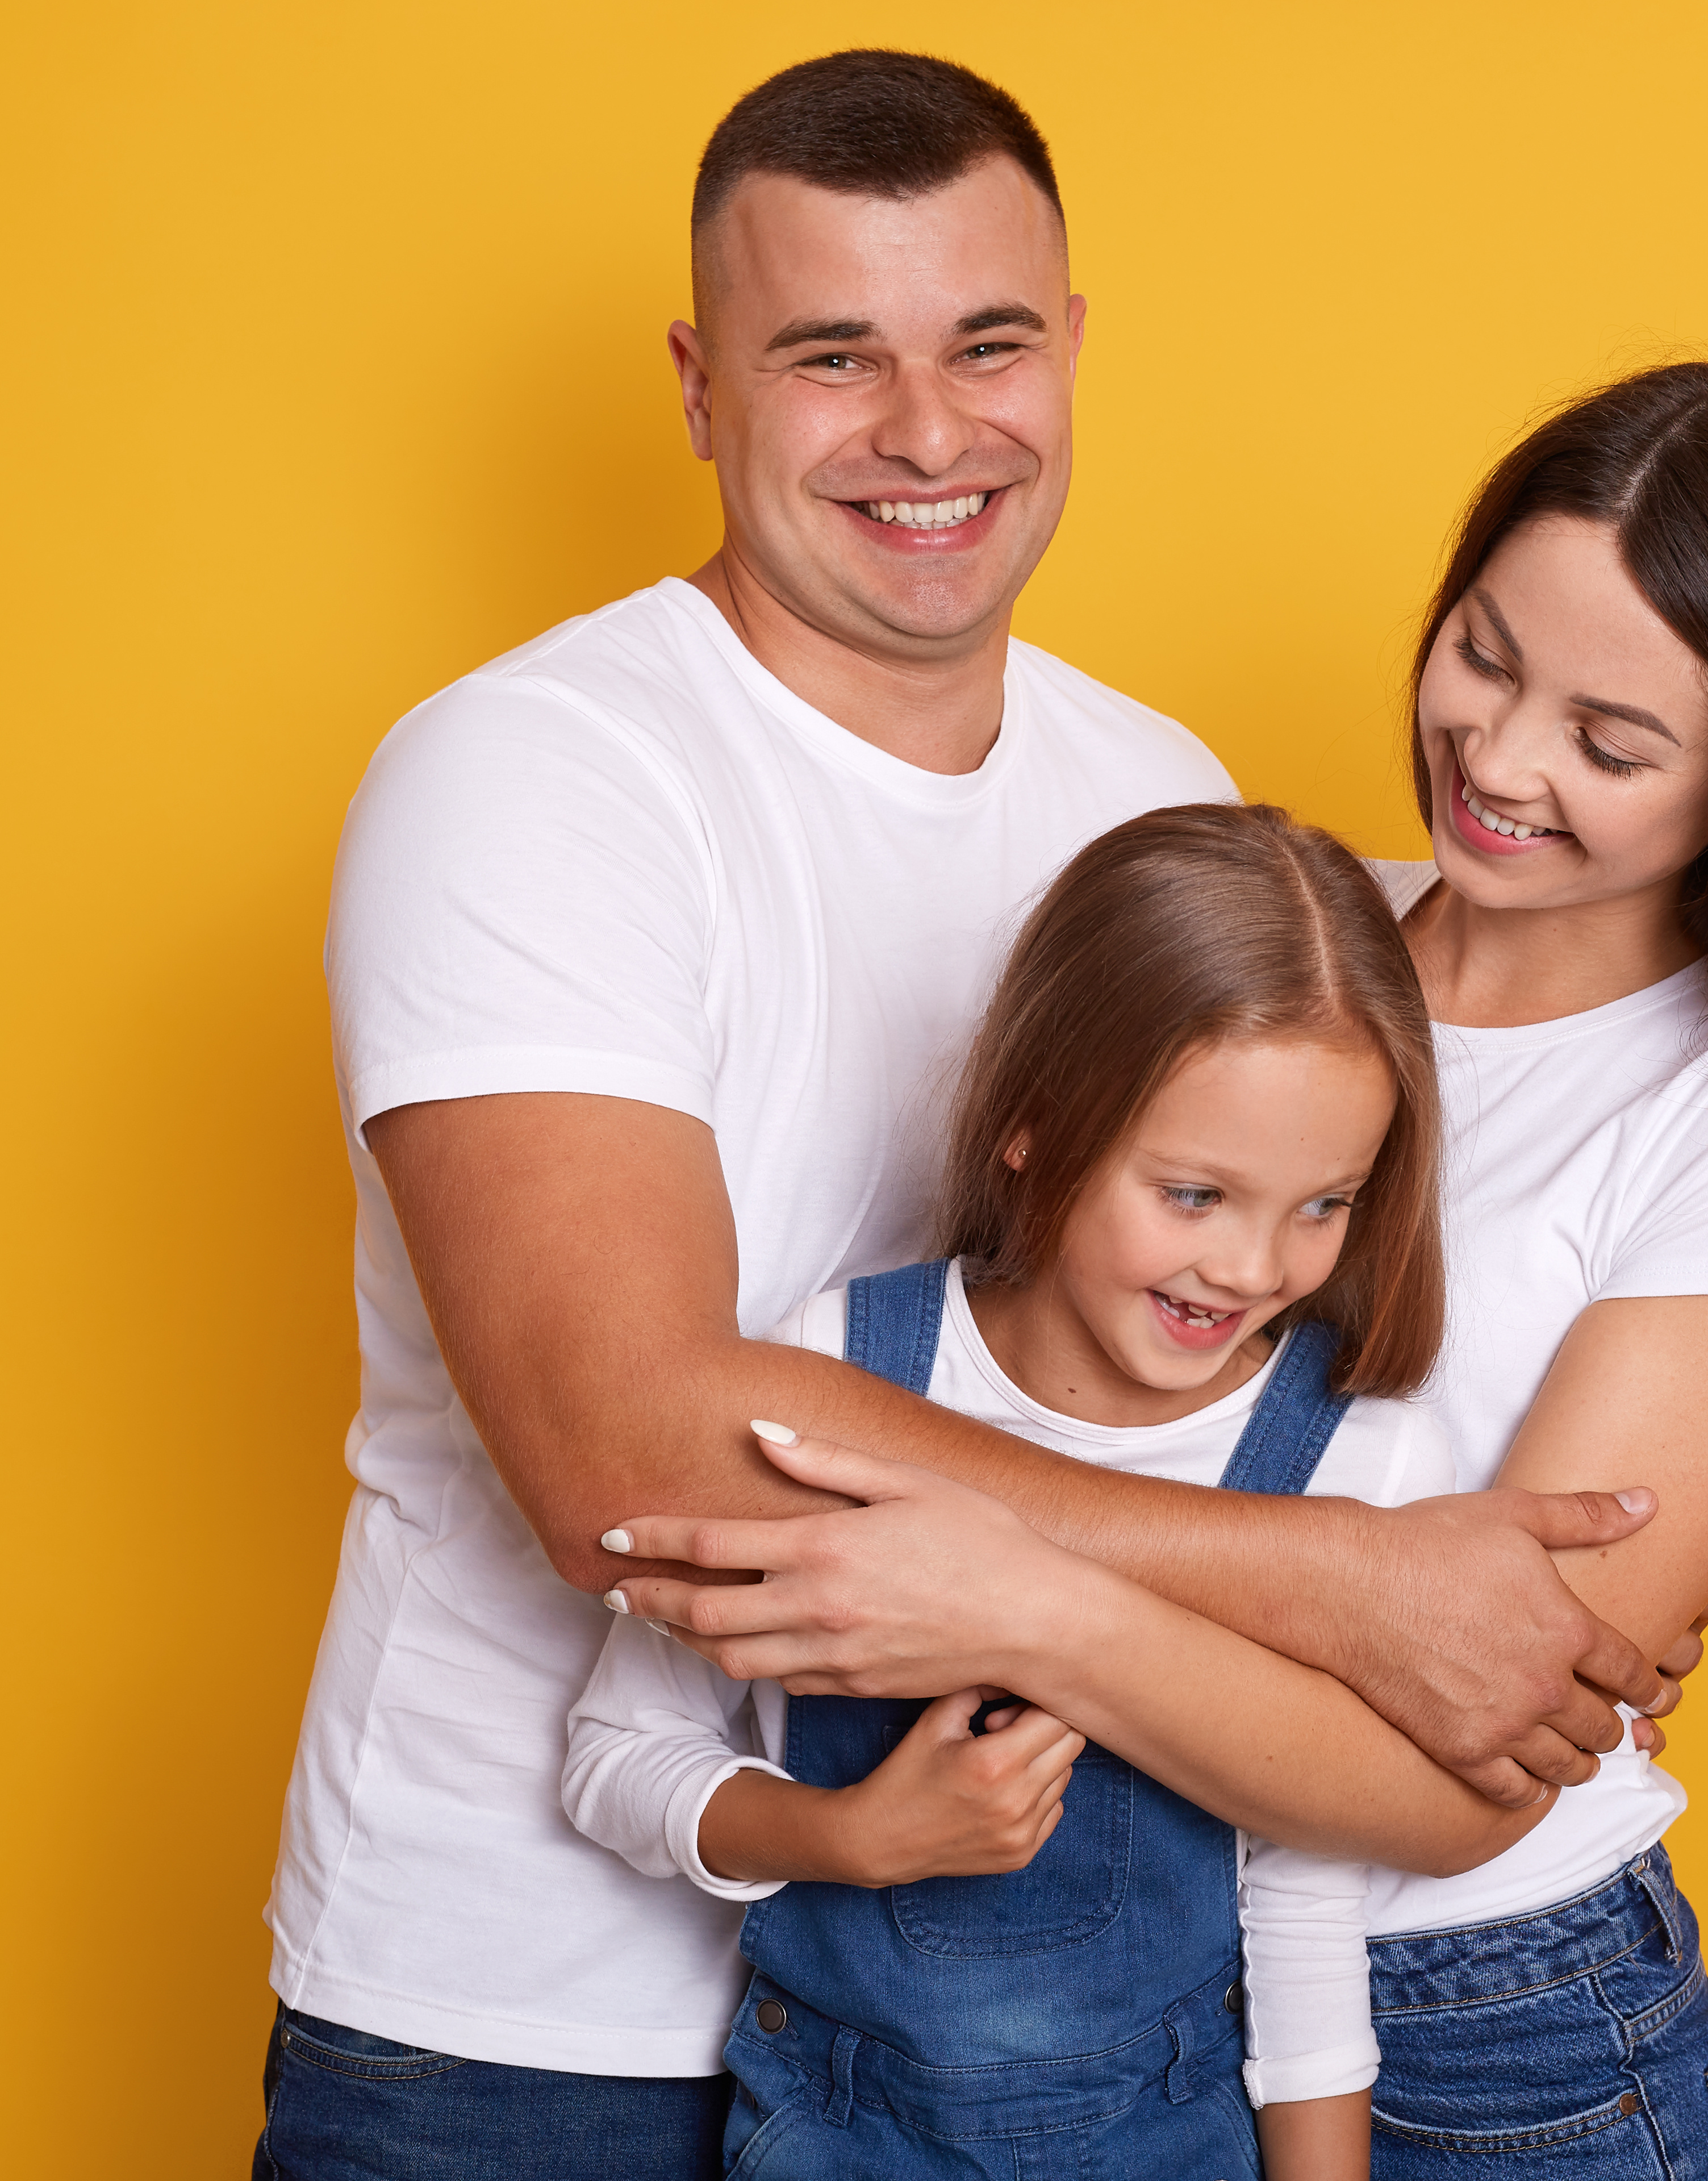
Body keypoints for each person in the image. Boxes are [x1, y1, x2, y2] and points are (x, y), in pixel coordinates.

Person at [254, 52, 1682, 2181]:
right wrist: (1357, 1587)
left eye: (987, 342)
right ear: (698, 382)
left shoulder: (1155, 804)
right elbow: (628, 1460)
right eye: (833, 356)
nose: (931, 434)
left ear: (1074, 350)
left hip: (1029, 2042)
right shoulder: (534, 778)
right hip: (523, 2016)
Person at [608, 361, 1708, 2178]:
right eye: (1487, 656)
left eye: (1613, 741)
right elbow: (974, 1361)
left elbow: (1456, 1780)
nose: (1502, 763)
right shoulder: (1276, 948)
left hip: (1502, 2045)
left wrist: (1014, 1598)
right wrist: (1349, 1600)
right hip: (1108, 2029)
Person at [568, 803, 1446, 2179]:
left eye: (1324, 1204)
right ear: (1036, 1124)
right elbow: (621, 1752)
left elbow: (1305, 1900)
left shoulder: (1350, 1460)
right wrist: (850, 1837)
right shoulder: (841, 1367)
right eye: (1196, 1194)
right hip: (833, 2136)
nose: (1256, 1268)